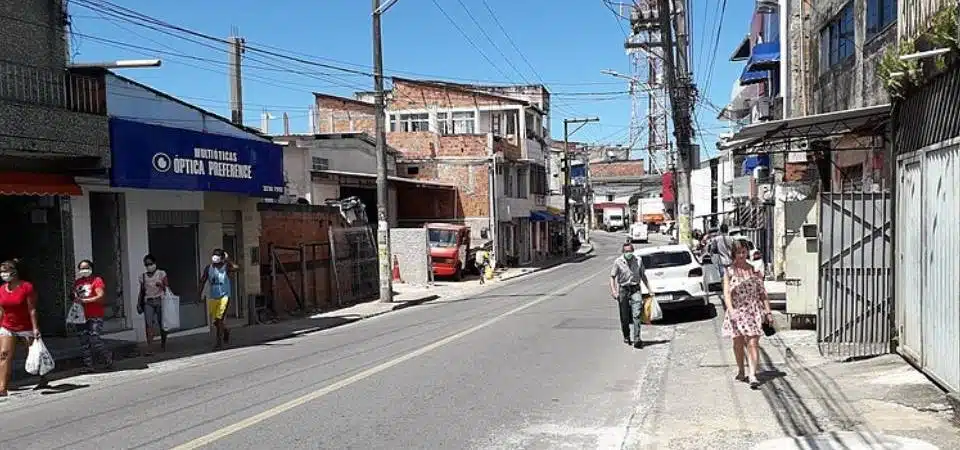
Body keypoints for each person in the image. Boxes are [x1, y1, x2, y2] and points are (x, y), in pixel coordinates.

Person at [721, 240, 773, 389]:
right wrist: (731, 311)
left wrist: (768, 312)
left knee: (753, 343)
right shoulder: (729, 271)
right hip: (737, 311)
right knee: (738, 343)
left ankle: (753, 375)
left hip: (753, 310)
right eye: (739, 252)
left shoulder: (754, 270)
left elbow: (762, 293)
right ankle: (741, 370)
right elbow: (726, 293)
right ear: (734, 254)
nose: (742, 255)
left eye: (744, 252)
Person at [0, 259, 45, 395]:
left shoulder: (26, 287)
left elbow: (32, 309)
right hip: (7, 326)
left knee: (33, 354)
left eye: (6, 271)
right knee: (3, 354)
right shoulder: (2, 289)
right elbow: (1, 310)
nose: (3, 274)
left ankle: (43, 377)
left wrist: (35, 328)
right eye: (2, 272)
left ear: (15, 272)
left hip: (25, 326)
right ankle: (2, 388)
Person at [609, 243, 653, 349]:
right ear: (623, 252)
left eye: (630, 251)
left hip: (635, 289)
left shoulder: (638, 260)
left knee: (636, 314)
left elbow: (643, 276)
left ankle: (637, 338)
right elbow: (612, 277)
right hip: (623, 289)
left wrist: (649, 289)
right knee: (624, 317)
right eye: (626, 251)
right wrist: (614, 291)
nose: (628, 253)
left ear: (633, 251)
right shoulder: (618, 262)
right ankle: (626, 335)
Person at [74, 259, 114, 373]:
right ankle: (88, 365)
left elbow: (100, 296)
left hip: (95, 314)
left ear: (91, 268)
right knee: (84, 341)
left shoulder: (97, 281)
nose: (83, 270)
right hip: (81, 316)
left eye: (86, 268)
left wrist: (86, 301)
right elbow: (74, 295)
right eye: (81, 268)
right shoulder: (78, 282)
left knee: (94, 338)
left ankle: (107, 357)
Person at [199, 249, 238, 349]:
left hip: (225, 295)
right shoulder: (209, 268)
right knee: (216, 321)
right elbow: (203, 281)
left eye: (218, 255)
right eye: (214, 255)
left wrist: (228, 260)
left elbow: (236, 267)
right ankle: (225, 331)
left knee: (220, 318)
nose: (215, 257)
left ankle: (218, 342)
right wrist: (199, 294)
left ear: (222, 258)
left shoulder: (226, 267)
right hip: (214, 296)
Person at [137, 254, 168, 355]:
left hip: (160, 300)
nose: (149, 266)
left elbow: (167, 288)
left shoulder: (161, 274)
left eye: (150, 264)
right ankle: (150, 347)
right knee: (148, 324)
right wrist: (139, 303)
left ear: (155, 264)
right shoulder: (143, 277)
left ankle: (163, 342)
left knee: (161, 323)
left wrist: (161, 285)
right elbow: (142, 291)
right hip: (148, 302)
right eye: (147, 264)